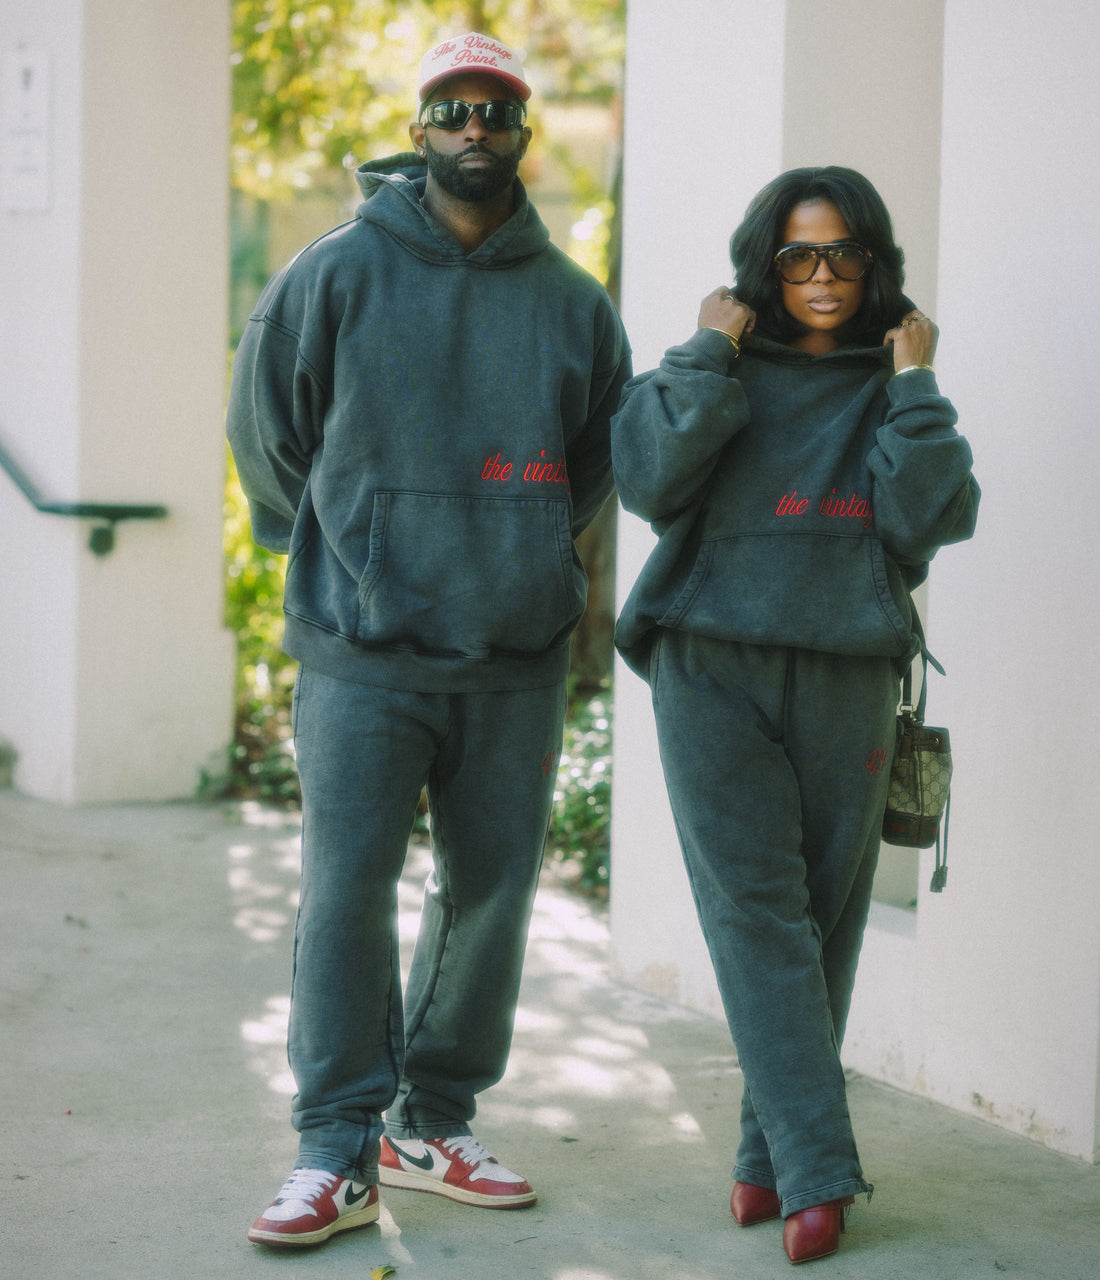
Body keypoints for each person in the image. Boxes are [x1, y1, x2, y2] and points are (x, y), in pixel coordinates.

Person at [227, 31, 631, 1248]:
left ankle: (432, 1119)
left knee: (491, 893)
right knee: (346, 892)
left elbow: (592, 465)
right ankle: (334, 1145)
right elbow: (266, 432)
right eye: (450, 109)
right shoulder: (335, 272)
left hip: (508, 659)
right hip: (362, 653)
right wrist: (351, 549)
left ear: (519, 135)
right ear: (419, 129)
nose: (472, 129)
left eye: (494, 112)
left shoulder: (570, 303)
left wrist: (514, 562)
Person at [611, 166, 978, 1265]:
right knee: (759, 916)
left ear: (874, 265)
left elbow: (929, 517)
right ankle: (819, 1170)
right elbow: (646, 480)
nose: (820, 277)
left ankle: (763, 1157)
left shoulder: (889, 381)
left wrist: (915, 384)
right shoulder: (717, 369)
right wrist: (701, 353)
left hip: (847, 671)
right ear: (761, 267)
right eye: (795, 256)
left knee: (822, 918)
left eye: (842, 254)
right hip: (707, 660)